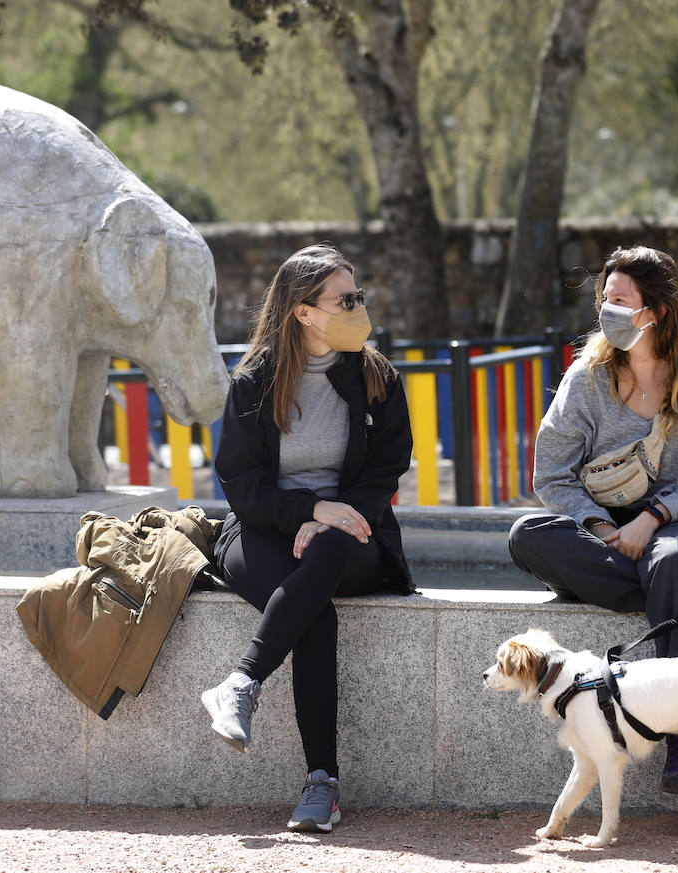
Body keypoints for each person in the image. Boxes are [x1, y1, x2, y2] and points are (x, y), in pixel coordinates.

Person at [508, 244, 678, 795]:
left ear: (656, 311)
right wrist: (596, 526)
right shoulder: (586, 377)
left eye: (621, 301)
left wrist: (656, 516)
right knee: (527, 536)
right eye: (604, 301)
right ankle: (671, 589)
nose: (607, 311)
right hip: (605, 531)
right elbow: (551, 475)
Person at [203, 242, 413, 833]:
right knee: (313, 612)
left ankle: (242, 682)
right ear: (303, 310)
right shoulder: (254, 382)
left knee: (328, 551)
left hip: (356, 533)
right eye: (344, 299)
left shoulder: (377, 378)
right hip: (265, 530)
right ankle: (323, 783)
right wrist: (308, 511)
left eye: (359, 296)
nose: (358, 307)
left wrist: (334, 516)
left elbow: (387, 467)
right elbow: (241, 485)